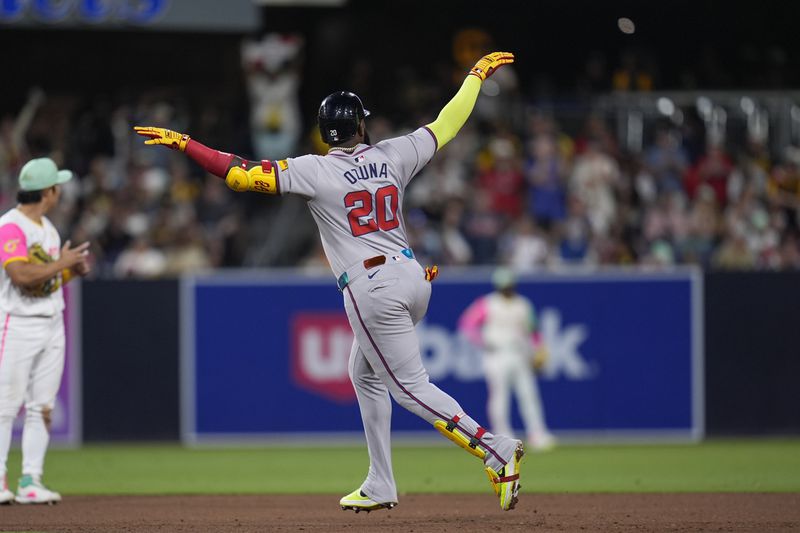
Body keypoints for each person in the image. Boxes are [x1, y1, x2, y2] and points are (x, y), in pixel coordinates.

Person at [135, 51, 525, 512]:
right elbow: (448, 122)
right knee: (364, 374)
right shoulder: (394, 153)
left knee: (409, 389)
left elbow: (237, 174)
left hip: (372, 288)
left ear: (325, 134)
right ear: (361, 125)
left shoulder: (314, 170)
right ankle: (381, 482)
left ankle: (494, 448)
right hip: (412, 275)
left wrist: (185, 144)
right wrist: (475, 76)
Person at [0, 158, 91, 504]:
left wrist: (71, 272)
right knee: (5, 406)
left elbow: (47, 281)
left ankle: (30, 481)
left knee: (43, 407)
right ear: (48, 191)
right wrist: (62, 264)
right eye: (57, 186)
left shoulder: (48, 229)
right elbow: (21, 276)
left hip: (51, 323)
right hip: (17, 323)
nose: (60, 192)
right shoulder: (11, 226)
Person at [458, 267, 556, 451]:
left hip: (520, 354)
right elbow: (467, 325)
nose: (507, 289)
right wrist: (483, 342)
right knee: (499, 396)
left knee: (528, 394)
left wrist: (539, 350)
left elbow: (533, 331)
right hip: (496, 354)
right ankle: (503, 436)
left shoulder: (523, 304)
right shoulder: (487, 303)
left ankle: (537, 434)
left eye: (509, 285)